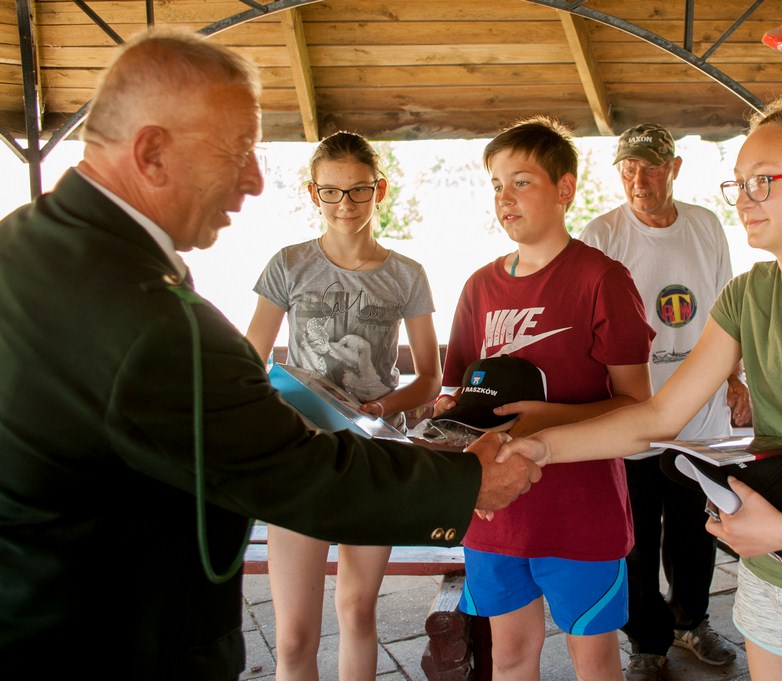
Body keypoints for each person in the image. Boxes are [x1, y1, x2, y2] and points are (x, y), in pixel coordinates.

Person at [0, 30, 539, 680]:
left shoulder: (27, 243)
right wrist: (467, 480)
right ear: (151, 153)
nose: (255, 180)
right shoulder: (154, 327)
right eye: (238, 153)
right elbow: (298, 470)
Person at [498, 99, 782, 681]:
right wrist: (545, 447)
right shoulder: (749, 294)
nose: (742, 199)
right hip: (771, 566)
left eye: (763, 181)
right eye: (738, 182)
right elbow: (662, 413)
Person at [434, 115, 655, 680]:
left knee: (595, 662)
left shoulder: (602, 279)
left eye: (521, 181)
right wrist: (447, 420)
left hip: (580, 511)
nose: (505, 198)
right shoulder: (479, 286)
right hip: (495, 513)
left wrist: (548, 418)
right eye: (496, 185)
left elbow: (638, 405)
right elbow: (458, 391)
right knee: (508, 658)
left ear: (564, 189)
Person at [245, 131, 441, 680]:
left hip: (372, 455)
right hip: (301, 458)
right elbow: (248, 361)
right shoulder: (288, 265)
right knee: (291, 638)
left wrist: (381, 407)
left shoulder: (407, 275)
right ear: (313, 193)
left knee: (356, 611)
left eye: (357, 191)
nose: (345, 205)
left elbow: (429, 379)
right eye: (331, 192)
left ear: (380, 190)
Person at [579, 123, 748, 679]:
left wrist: (735, 376)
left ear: (674, 168)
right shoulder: (601, 235)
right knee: (636, 533)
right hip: (632, 411)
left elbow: (727, 308)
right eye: (628, 169)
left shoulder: (705, 226)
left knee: (697, 526)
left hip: (700, 412)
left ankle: (692, 621)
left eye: (650, 167)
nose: (638, 179)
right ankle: (646, 640)